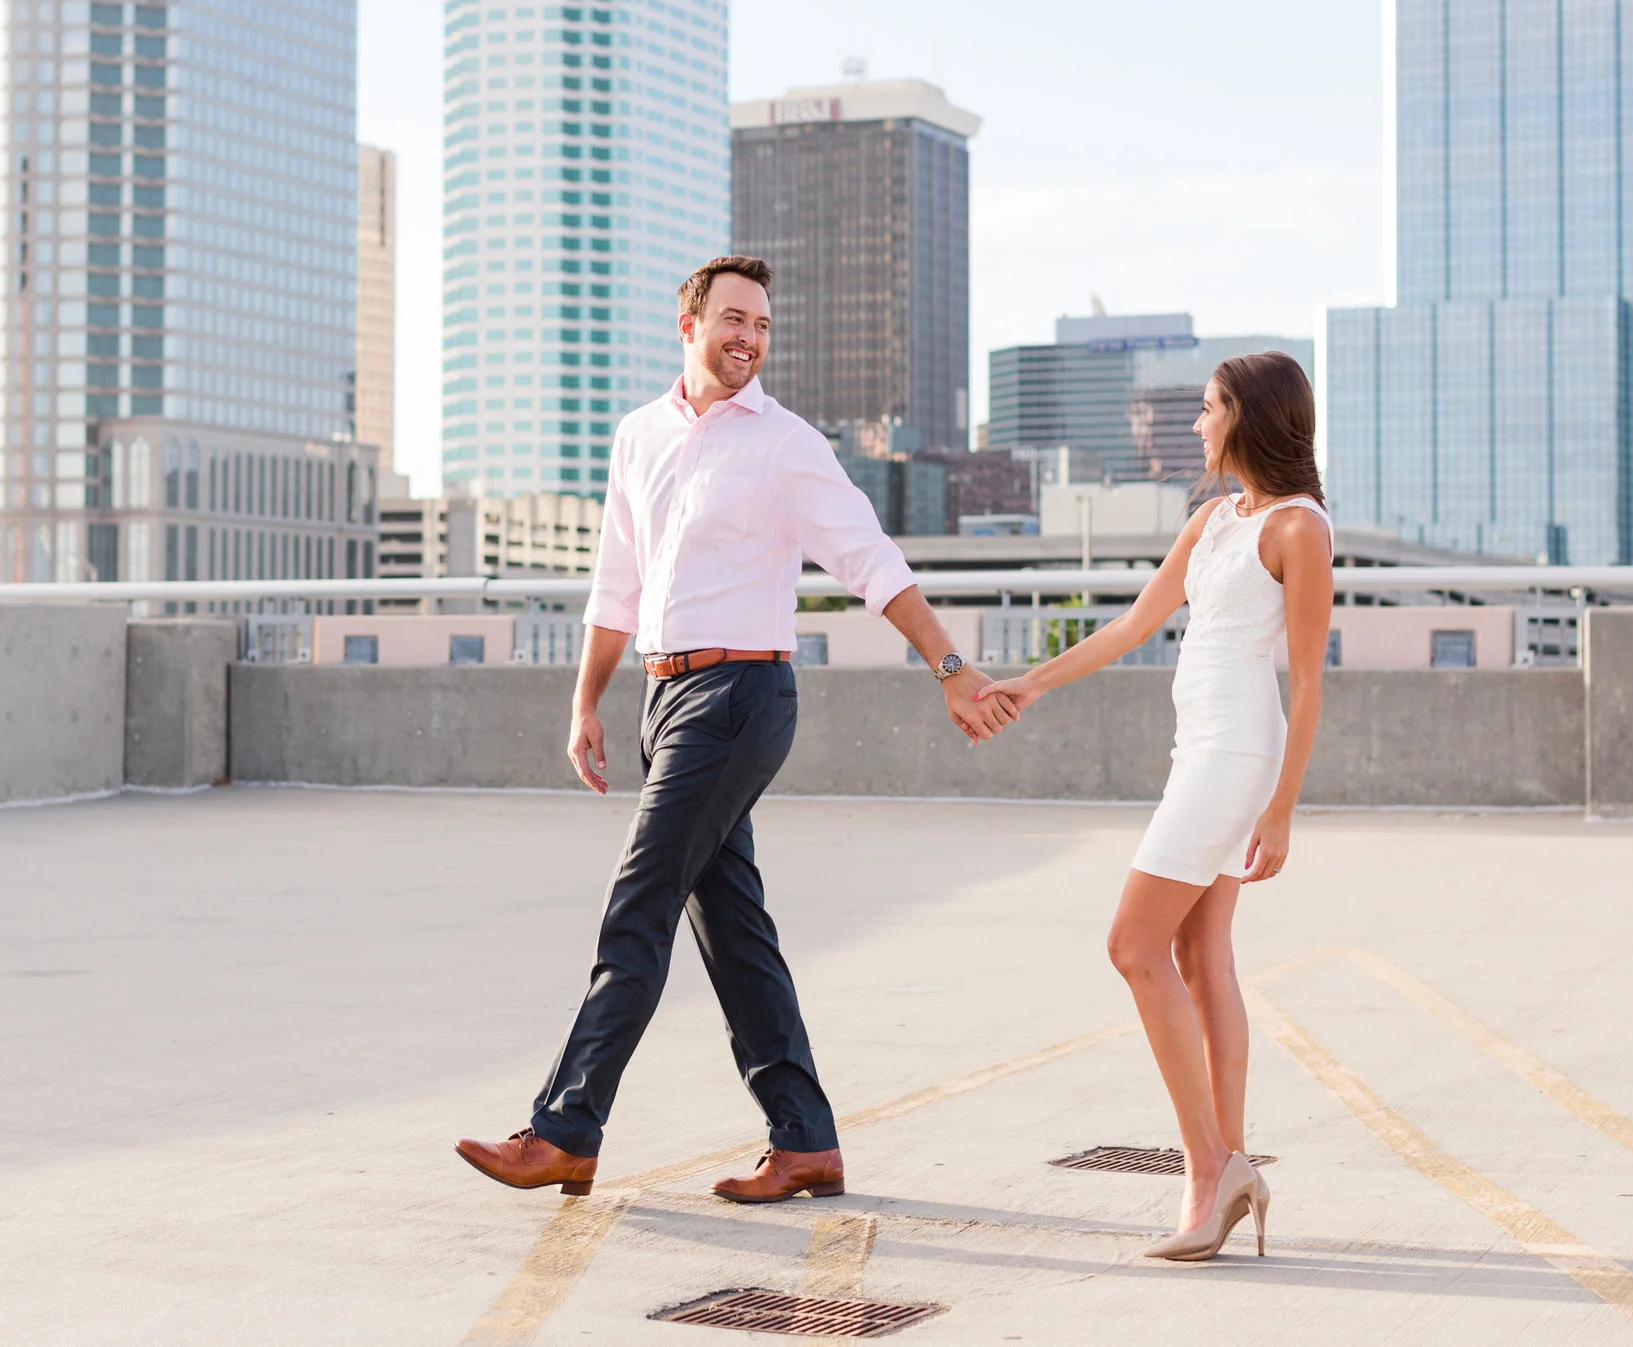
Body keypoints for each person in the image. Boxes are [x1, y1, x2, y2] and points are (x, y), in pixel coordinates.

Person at [456, 255, 1017, 1203]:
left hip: (742, 698)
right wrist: (587, 700)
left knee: (639, 902)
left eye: (761, 324)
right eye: (732, 320)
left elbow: (868, 557)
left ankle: (566, 1127)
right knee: (733, 927)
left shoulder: (786, 442)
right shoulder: (638, 435)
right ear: (689, 325)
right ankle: (805, 1139)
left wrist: (950, 667)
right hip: (664, 698)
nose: (749, 338)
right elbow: (617, 584)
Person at [982, 352, 1333, 1262]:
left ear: (1248, 417)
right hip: (1199, 748)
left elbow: (1307, 682)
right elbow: (1134, 624)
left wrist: (1282, 808)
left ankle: (1208, 1168)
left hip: (1238, 753)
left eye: (1208, 408)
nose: (1195, 424)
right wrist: (1031, 683)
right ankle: (1231, 1165)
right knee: (1199, 950)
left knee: (1132, 945)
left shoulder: (1299, 528)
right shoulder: (1216, 518)